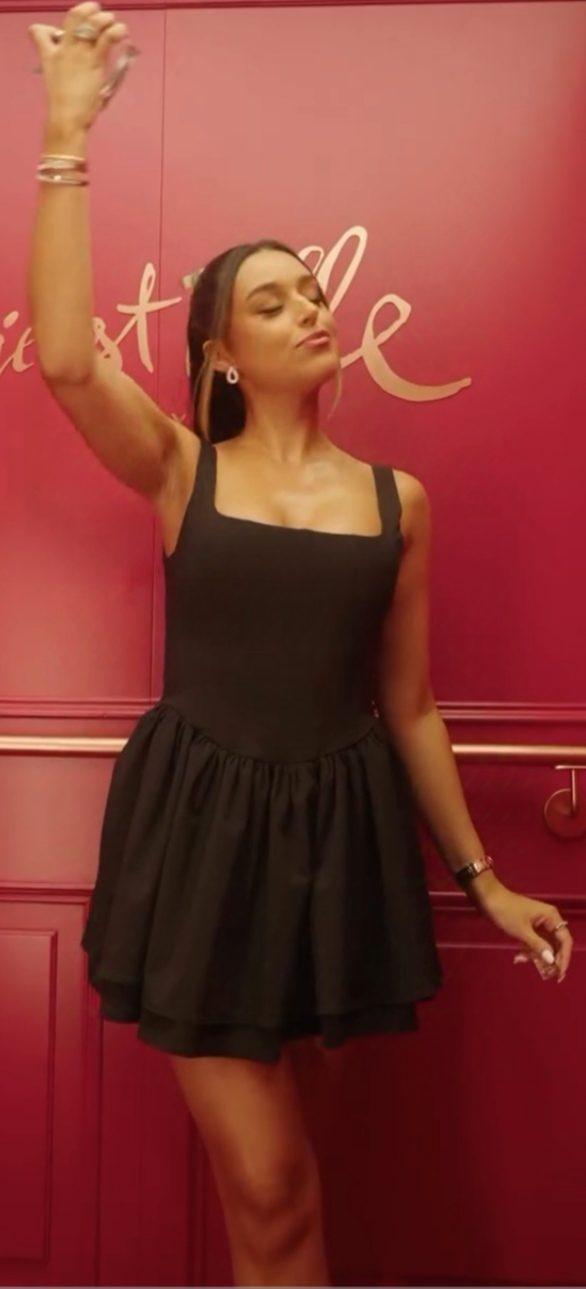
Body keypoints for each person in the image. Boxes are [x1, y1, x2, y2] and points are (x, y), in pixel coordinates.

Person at [28, 6, 573, 1285]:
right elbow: (64, 361)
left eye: (311, 289)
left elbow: (411, 704)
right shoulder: (182, 468)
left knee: (282, 1194)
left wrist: (484, 877)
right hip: (200, 840)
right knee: (271, 1184)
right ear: (222, 352)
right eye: (269, 302)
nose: (308, 308)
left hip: (338, 847)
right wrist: (66, 135)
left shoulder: (397, 501)